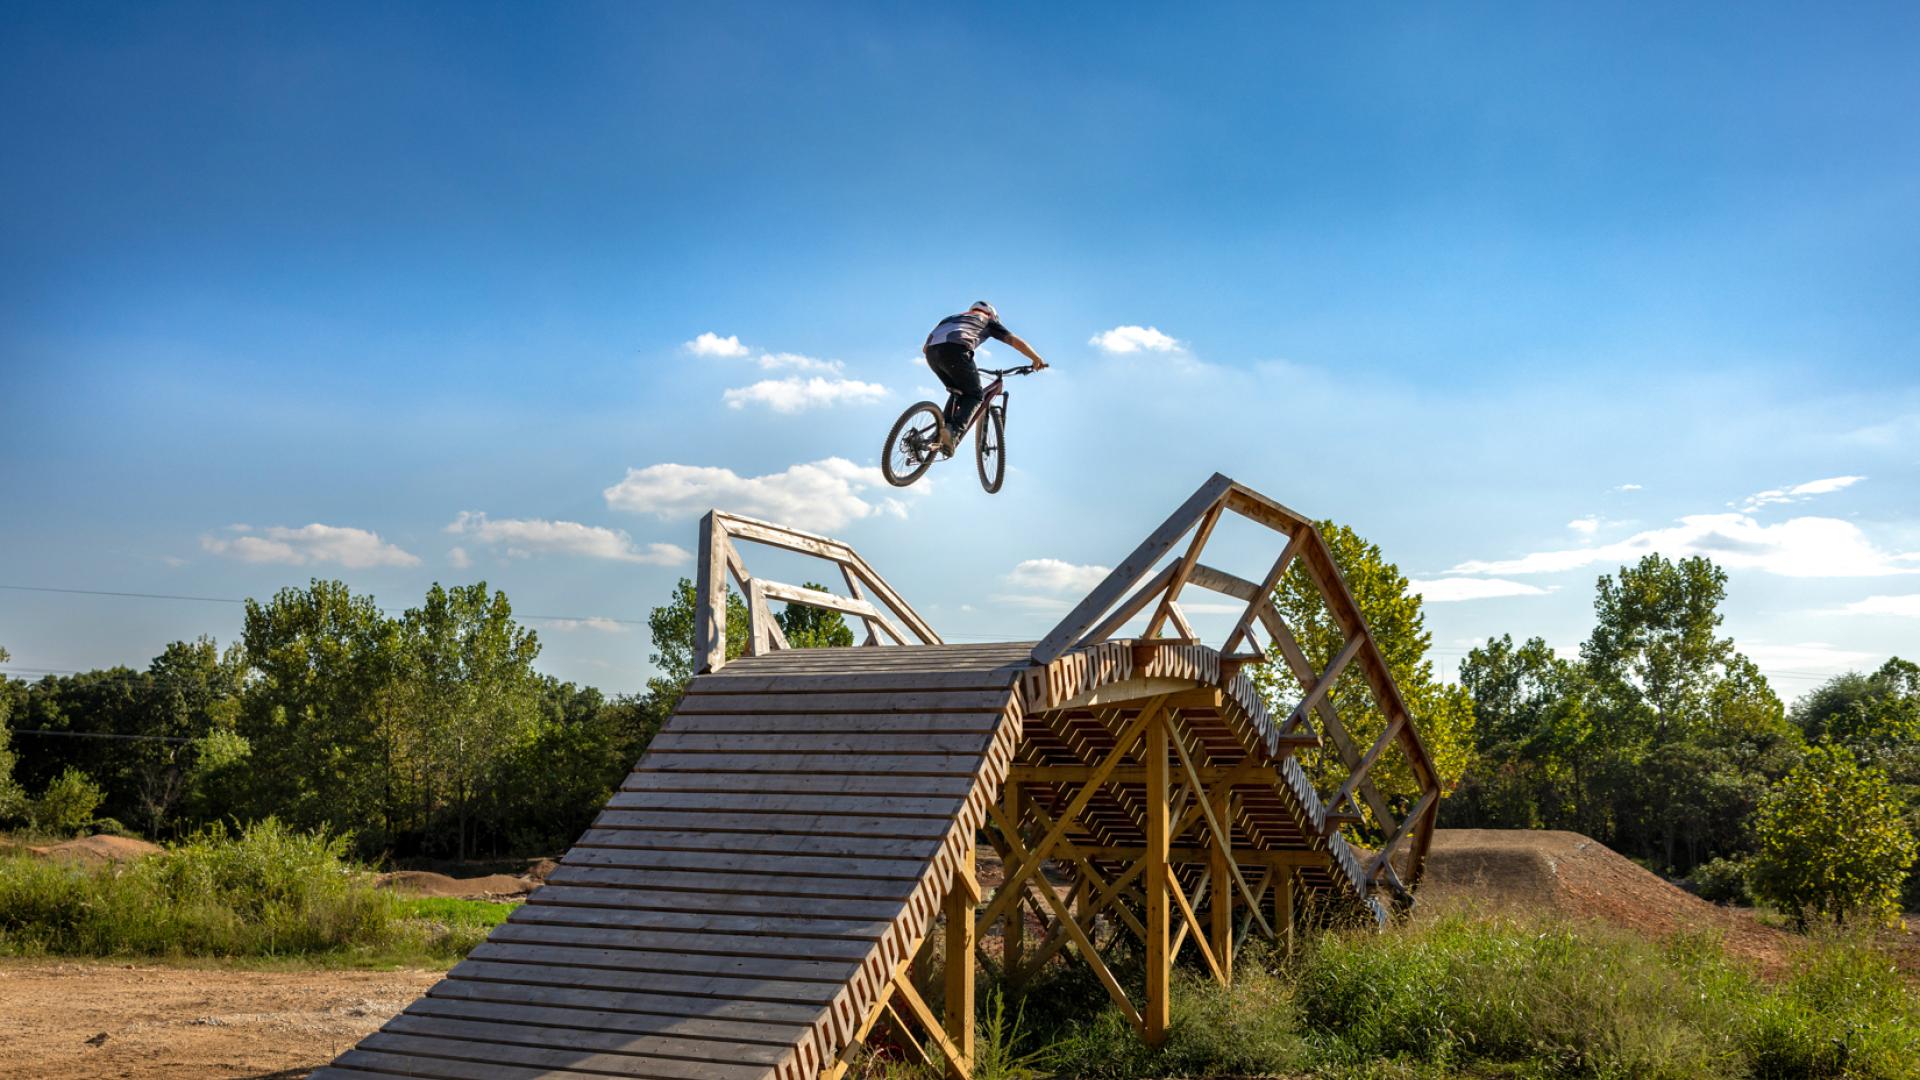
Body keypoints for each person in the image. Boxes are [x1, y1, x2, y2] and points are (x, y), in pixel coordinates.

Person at [922, 302, 1048, 453]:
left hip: (931, 354)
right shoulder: (987, 321)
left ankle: (939, 434)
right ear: (992, 314)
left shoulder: (951, 318)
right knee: (975, 395)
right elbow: (1013, 340)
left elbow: (925, 346)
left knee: (958, 390)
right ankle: (952, 433)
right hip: (956, 350)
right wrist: (1036, 359)